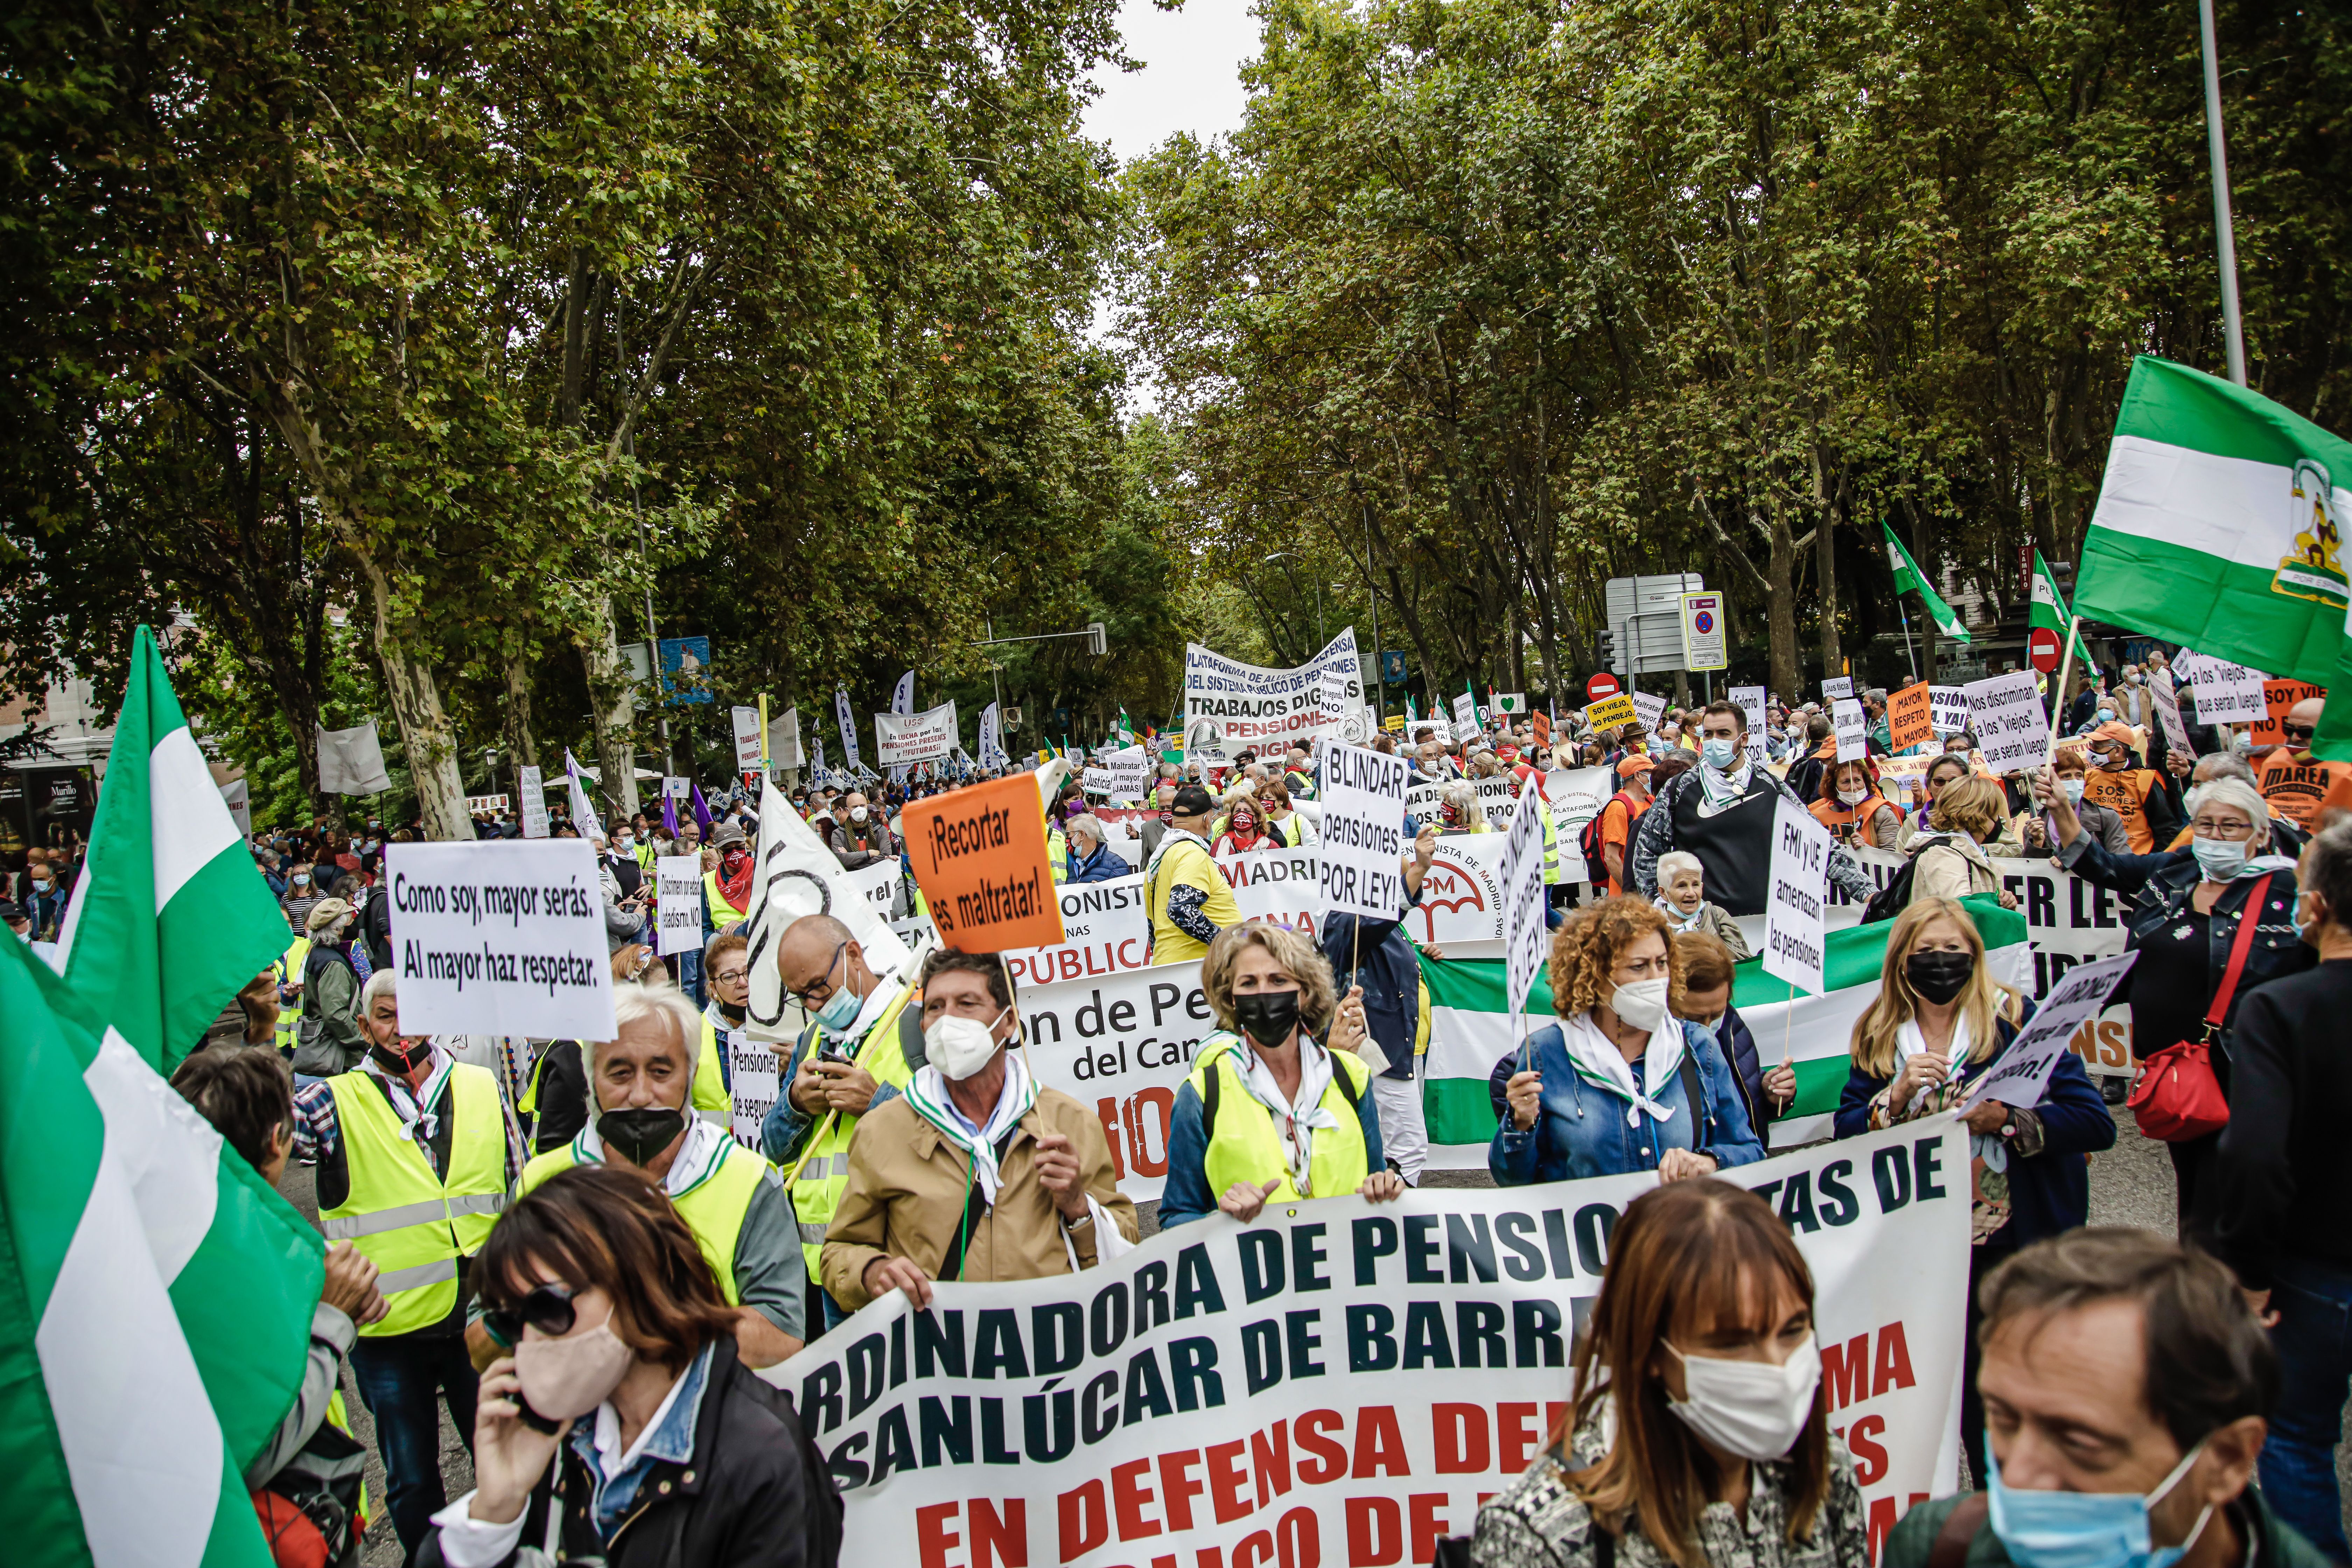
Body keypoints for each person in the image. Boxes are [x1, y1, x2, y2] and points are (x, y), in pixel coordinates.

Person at [426, 1165, 842, 1568]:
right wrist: (494, 1512)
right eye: (508, 1321)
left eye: (547, 1308)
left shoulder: (762, 1459)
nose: (529, 1340)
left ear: (638, 1280)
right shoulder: (550, 1439)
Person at [1833, 897, 2112, 1463]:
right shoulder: (1880, 1035)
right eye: (1926, 952)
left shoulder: (2017, 1019)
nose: (1940, 963)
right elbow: (1849, 1134)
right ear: (1902, 961)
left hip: (2017, 1247)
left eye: (1953, 951)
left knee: (2022, 1401)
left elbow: (2094, 1123)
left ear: (1975, 957)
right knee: (1956, 1402)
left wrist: (2006, 1121)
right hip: (1926, 1252)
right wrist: (1897, 1096)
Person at [1468, 1179, 1868, 1568]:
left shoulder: (1823, 1468)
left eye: (1792, 1331)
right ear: (1651, 1349)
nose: (1775, 1367)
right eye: (1732, 1343)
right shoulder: (1539, 1535)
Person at [1884, 1228, 2325, 1568]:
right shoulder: (1936, 1545)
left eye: (2079, 1440)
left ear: (2227, 1459)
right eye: (2003, 1418)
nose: (2016, 1475)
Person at [290, 972, 522, 1563]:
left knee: (503, 1455)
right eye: (387, 1018)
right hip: (388, 1329)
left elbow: (519, 1181)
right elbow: (265, 1146)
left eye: (412, 1015)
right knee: (412, 1476)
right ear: (364, 1027)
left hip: (480, 1314)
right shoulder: (331, 1099)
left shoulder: (478, 1085)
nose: (401, 1031)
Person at [2036, 769, 2311, 1230]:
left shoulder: (2288, 893)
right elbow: (2103, 867)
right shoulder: (2178, 869)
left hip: (2243, 1068)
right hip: (2173, 1070)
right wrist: (2063, 809)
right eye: (2206, 824)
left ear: (2261, 833)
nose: (2215, 836)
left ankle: (2230, 1282)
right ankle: (2201, 1277)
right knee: (2194, 1189)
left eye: (2230, 826)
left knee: (2227, 1191)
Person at [822, 949, 1139, 1309]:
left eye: (967, 1004)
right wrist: (870, 1271)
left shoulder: (1070, 1122)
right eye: (935, 1007)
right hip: (938, 1357)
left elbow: (1127, 1247)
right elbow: (838, 1252)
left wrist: (1079, 1207)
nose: (947, 1021)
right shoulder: (882, 1130)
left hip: (1048, 1349)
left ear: (1009, 1022)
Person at [172, 1047, 388, 1567]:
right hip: (277, 1534)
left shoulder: (182, 1233)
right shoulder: (232, 1266)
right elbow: (254, 1446)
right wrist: (333, 1319)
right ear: (279, 1141)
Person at [513, 982, 803, 1367]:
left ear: (691, 1073)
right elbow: (485, 1334)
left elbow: (782, 1334)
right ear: (590, 1079)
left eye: (661, 1071)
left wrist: (638, 1325)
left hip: (709, 1419)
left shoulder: (748, 1180)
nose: (640, 1094)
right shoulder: (542, 1183)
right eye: (619, 1073)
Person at [2205, 816, 2352, 1555]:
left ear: (2316, 907)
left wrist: (2249, 1273)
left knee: (2294, 1439)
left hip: (2313, 1268)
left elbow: (2255, 1155)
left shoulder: (2281, 1007)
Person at [1493, 897, 1764, 1185]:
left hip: (1679, 1227)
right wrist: (1520, 1124)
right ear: (1596, 975)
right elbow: (1513, 1182)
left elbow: (1749, 1151)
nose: (1657, 978)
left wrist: (1710, 1162)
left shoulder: (1698, 1047)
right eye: (1639, 967)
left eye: (1662, 963)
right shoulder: (1547, 1052)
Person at [1159, 921, 1407, 1226]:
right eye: (1248, 983)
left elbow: (1376, 1176)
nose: (1263, 993)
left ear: (1305, 991)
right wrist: (1220, 1220)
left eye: (1278, 980)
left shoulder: (1350, 1076)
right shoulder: (1201, 1093)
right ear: (1232, 998)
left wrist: (1386, 1186)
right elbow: (1176, 1215)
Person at [766, 913, 919, 1318]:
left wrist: (878, 1101)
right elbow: (773, 1146)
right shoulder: (810, 1040)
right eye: (802, 996)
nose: (815, 1004)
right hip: (832, 1271)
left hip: (903, 1261)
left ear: (853, 954)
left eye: (819, 986)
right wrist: (795, 1104)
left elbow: (962, 1140)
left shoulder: (916, 1020)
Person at [1632, 703, 1877, 915]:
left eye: (1724, 733)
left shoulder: (1772, 788)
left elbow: (1819, 846)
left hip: (1766, 926)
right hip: (1704, 929)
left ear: (1744, 739)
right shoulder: (1679, 789)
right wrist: (1660, 907)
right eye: (1708, 734)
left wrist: (1868, 895)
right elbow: (1647, 854)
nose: (1714, 741)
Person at [1322, 823, 1445, 1185]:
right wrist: (1420, 871)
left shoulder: (1383, 923)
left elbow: (1384, 946)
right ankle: (1395, 1223)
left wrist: (1423, 954)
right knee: (1407, 1146)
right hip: (1374, 1047)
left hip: (1399, 1044)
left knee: (1389, 1144)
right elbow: (1371, 927)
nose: (1402, 867)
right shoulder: (1339, 918)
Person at [1675, 929, 1790, 1141]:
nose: (1708, 1027)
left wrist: (1768, 1093)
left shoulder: (1732, 1024)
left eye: (1716, 1014)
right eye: (1695, 1019)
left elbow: (1744, 1104)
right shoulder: (1646, 1050)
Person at [1143, 783, 1243, 964]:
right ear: (1207, 821)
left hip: (1173, 964)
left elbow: (1153, 923)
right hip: (1197, 964)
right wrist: (1230, 945)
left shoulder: (1161, 857)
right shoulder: (1191, 853)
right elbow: (1180, 909)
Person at [1905, 775, 2022, 909]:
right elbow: (1959, 916)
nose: (1998, 820)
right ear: (1980, 816)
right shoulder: (1947, 856)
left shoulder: (1963, 850)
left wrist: (2003, 906)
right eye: (1994, 814)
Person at [292, 897, 366, 1079]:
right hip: (339, 1059)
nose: (354, 923)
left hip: (329, 1053)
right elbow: (336, 1015)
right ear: (338, 929)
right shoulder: (334, 962)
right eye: (350, 919)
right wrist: (364, 1038)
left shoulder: (320, 953)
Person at [2084, 720, 2180, 853]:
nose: (2091, 750)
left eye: (2097, 746)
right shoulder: (2087, 777)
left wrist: (2149, 864)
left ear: (2117, 751)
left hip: (2135, 862)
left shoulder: (2145, 779)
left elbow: (2166, 829)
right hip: (2094, 861)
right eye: (2092, 745)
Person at [2253, 695, 2348, 830]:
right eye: (2289, 730)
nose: (2295, 737)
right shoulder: (2272, 762)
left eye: (2306, 732)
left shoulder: (2348, 768)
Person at [2015, 743, 2127, 857]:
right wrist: (2038, 844)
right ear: (2049, 781)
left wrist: (2070, 859)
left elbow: (2122, 864)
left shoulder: (2106, 818)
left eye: (2079, 776)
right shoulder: (2034, 828)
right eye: (2066, 776)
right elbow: (2032, 871)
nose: (2075, 781)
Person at [1652, 850, 1751, 958]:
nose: (1691, 893)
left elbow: (1742, 964)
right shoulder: (1652, 926)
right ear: (1663, 892)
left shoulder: (1717, 917)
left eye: (1696, 885)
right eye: (1682, 886)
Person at [1808, 756, 1903, 848]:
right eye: (1846, 782)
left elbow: (1893, 856)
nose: (1853, 788)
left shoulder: (1882, 813)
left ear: (1865, 781)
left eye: (1857, 780)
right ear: (1834, 787)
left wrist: (1866, 848)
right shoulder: (1818, 817)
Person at [1592, 754, 1653, 897]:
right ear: (1638, 776)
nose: (1654, 776)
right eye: (1651, 773)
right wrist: (1631, 892)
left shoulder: (1651, 800)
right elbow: (1612, 857)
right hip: (1628, 897)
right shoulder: (1619, 807)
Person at [827, 790, 895, 871]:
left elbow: (885, 855)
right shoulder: (838, 834)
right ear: (848, 810)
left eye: (862, 806)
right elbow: (841, 860)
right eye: (855, 807)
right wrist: (870, 853)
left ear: (867, 807)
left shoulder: (881, 830)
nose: (859, 809)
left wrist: (854, 865)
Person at [1062, 812, 1128, 883]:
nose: (1067, 838)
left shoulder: (1116, 865)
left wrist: (1102, 891)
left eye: (1068, 834)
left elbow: (1124, 893)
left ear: (1081, 835)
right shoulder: (1075, 866)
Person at [1212, 791, 1274, 855]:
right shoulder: (1220, 844)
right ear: (1233, 817)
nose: (1241, 814)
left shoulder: (1270, 846)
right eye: (1238, 811)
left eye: (1247, 811)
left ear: (1256, 819)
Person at [1260, 779, 1318, 847]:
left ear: (1281, 800)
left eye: (1269, 798)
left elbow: (1314, 846)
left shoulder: (1299, 820)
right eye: (1262, 798)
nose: (1264, 801)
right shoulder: (1261, 821)